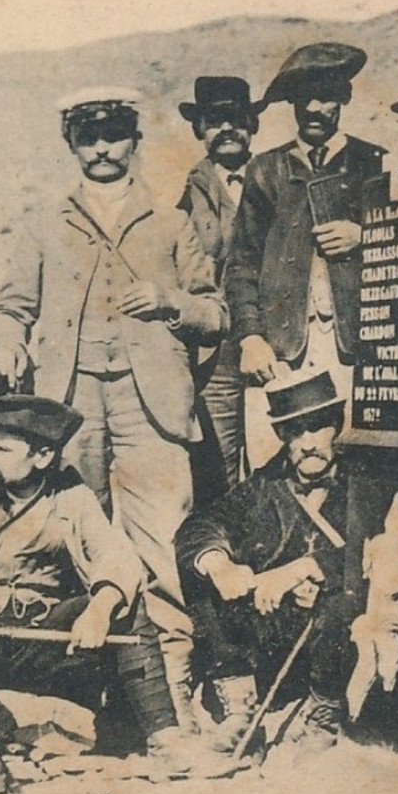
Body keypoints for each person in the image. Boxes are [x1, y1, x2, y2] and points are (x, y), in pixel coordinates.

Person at [0, 88, 227, 732]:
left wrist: (170, 299)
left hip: (152, 409)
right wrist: (6, 341)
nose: (101, 148)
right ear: (70, 144)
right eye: (88, 138)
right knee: (75, 544)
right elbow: (9, 308)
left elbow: (215, 313)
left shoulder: (171, 222)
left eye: (114, 135)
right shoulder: (42, 223)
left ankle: (169, 697)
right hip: (70, 408)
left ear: (133, 140)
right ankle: (95, 694)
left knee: (163, 540)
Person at [0, 396, 225, 794]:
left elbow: (117, 557)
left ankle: (167, 742)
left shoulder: (70, 494)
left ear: (43, 456)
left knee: (127, 606)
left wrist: (100, 608)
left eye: (0, 449)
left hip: (47, 644)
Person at [174, 368, 360, 755]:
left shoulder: (364, 480)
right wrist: (220, 565)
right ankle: (241, 710)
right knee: (206, 576)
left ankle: (324, 715)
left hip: (339, 628)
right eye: (296, 431)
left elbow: (380, 550)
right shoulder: (266, 485)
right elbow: (201, 525)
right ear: (281, 436)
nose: (309, 443)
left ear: (337, 426)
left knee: (339, 604)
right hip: (279, 630)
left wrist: (309, 568)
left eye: (318, 427)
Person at [227, 43, 385, 417]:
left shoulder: (373, 162)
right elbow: (241, 264)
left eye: (326, 97)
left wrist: (365, 236)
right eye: (304, 97)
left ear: (343, 98)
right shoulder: (265, 169)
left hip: (355, 346)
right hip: (282, 350)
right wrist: (251, 337)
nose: (314, 108)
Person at [176, 75, 268, 496]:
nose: (227, 129)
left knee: (278, 453)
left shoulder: (276, 179)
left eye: (236, 119)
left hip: (275, 338)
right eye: (215, 121)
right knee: (217, 466)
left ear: (253, 126)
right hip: (215, 354)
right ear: (200, 130)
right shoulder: (183, 198)